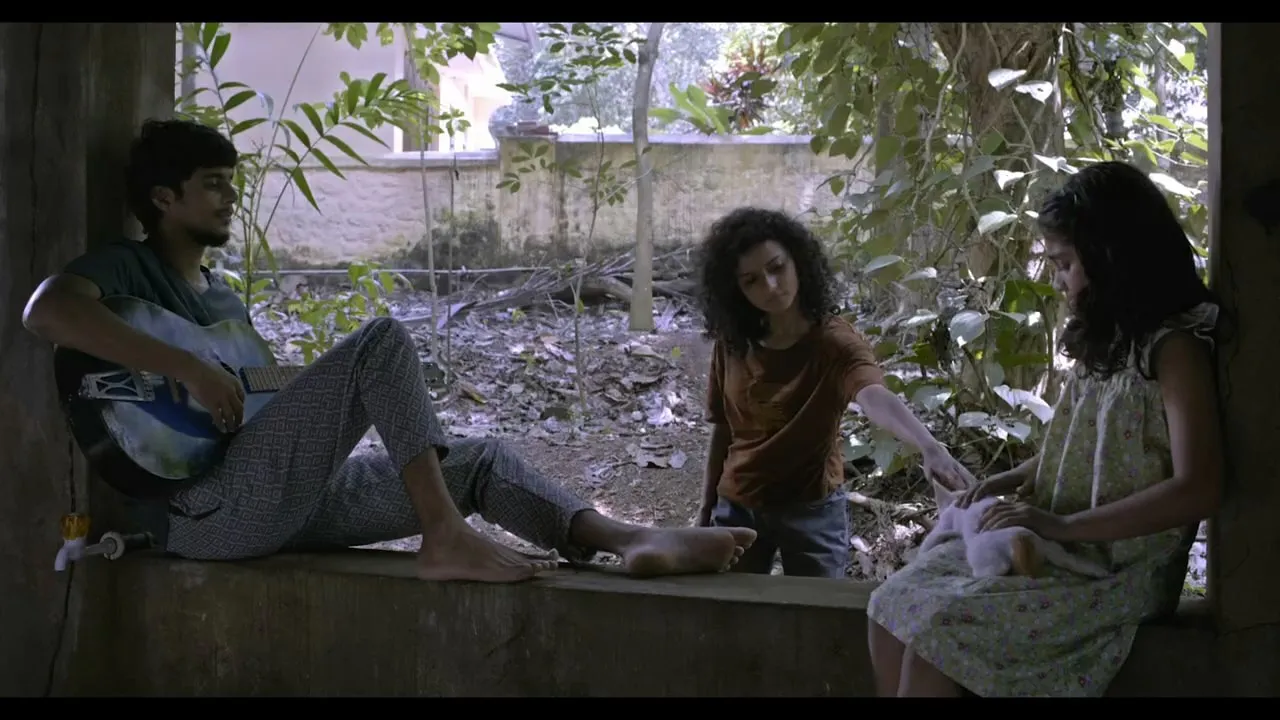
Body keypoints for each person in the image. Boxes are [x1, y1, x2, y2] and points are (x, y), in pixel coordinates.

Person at [22, 118, 757, 584]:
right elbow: (46, 311)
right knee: (382, 338)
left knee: (480, 458)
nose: (230, 198)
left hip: (276, 497)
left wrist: (348, 389)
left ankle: (627, 539)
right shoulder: (128, 268)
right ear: (162, 198)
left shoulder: (222, 300)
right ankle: (443, 536)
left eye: (232, 184)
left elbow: (258, 400)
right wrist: (186, 367)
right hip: (206, 514)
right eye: (213, 185)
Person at [866, 161, 1224, 697]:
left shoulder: (1174, 352)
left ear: (1111, 257)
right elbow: (1088, 448)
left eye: (1065, 264)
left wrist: (1063, 527)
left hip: (1116, 570)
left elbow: (1199, 487)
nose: (1058, 280)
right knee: (889, 605)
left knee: (937, 640)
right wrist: (1013, 478)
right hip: (1057, 542)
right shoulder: (1108, 341)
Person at [693, 207, 975, 579]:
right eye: (752, 280)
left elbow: (874, 395)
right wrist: (706, 508)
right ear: (736, 290)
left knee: (817, 611)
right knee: (735, 608)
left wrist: (929, 446)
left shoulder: (835, 343)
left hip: (813, 509)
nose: (771, 286)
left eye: (777, 267)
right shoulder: (733, 343)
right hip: (737, 506)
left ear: (798, 260)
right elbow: (723, 429)